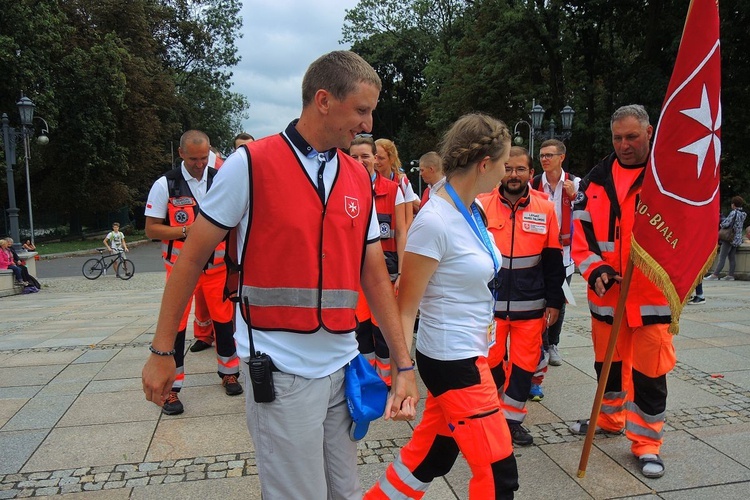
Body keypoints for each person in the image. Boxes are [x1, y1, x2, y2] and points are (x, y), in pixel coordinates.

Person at [142, 51, 418, 499]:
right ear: (324, 100)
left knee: (343, 493)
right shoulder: (252, 163)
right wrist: (161, 351)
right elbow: (190, 258)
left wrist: (403, 364)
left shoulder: (355, 174)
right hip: (282, 368)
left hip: (343, 363)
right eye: (362, 110)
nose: (368, 124)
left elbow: (372, 274)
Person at [366, 113, 519, 499]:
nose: (506, 172)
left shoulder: (473, 210)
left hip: (471, 351)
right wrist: (403, 372)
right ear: (484, 165)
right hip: (453, 362)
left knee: (431, 456)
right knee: (499, 474)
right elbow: (404, 308)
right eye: (503, 164)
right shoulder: (434, 221)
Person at [570, 104, 676, 479]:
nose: (624, 145)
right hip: (607, 298)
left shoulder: (668, 180)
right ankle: (611, 419)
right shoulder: (595, 182)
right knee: (608, 369)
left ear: (649, 132)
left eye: (632, 136)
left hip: (651, 297)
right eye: (617, 138)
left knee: (650, 375)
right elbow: (580, 240)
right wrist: (594, 268)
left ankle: (647, 444)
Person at [144, 129, 242, 416]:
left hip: (217, 268)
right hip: (181, 270)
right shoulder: (166, 184)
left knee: (224, 321)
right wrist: (189, 231)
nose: (200, 164)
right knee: (174, 326)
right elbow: (151, 229)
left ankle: (229, 371)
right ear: (181, 154)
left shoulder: (220, 178)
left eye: (204, 158)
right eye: (194, 159)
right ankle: (171, 389)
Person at [478, 146, 565, 446]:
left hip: (532, 304)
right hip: (489, 306)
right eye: (508, 169)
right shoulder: (481, 204)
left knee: (525, 365)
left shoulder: (545, 208)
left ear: (530, 173)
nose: (513, 175)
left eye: (520, 170)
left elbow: (553, 260)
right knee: (488, 363)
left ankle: (511, 421)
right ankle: (491, 415)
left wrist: (554, 301)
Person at [349, 134, 406, 384]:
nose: (360, 161)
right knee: (359, 330)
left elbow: (403, 231)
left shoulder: (393, 190)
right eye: (354, 156)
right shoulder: (342, 187)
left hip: (386, 273)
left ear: (375, 158)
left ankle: (386, 382)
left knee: (383, 330)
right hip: (353, 276)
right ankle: (367, 380)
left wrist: (403, 272)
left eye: (365, 156)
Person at [532, 139, 580, 368]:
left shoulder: (575, 183)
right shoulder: (533, 184)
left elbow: (588, 215)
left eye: (550, 155)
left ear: (562, 157)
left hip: (566, 255)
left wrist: (575, 197)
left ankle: (553, 344)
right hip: (538, 252)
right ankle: (540, 344)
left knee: (559, 300)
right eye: (542, 155)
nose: (545, 159)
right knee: (538, 299)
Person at [376, 138, 420, 224]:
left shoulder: (401, 182)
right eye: (375, 157)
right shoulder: (368, 180)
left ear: (391, 159)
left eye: (381, 158)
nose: (376, 162)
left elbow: (410, 219)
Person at [705, 196, 746, 281]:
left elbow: (726, 223)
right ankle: (730, 275)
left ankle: (715, 275)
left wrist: (721, 224)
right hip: (737, 238)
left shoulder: (734, 213)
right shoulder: (743, 214)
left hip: (728, 237)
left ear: (733, 204)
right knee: (732, 257)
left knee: (722, 257)